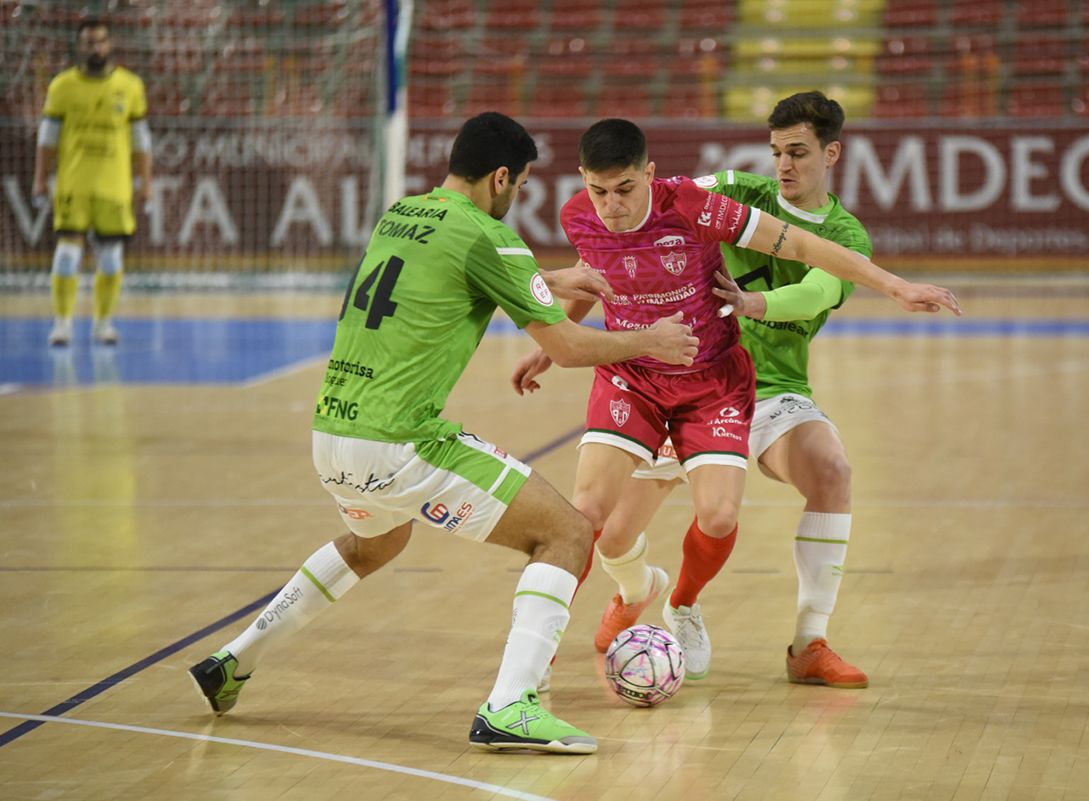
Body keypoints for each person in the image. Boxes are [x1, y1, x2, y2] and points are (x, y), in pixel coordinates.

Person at [187, 112, 699, 756]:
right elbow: (565, 347)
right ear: (502, 177)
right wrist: (653, 339)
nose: (516, 200)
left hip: (333, 433)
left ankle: (233, 660)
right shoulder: (489, 237)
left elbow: (455, 272)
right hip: (401, 443)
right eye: (518, 187)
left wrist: (554, 280)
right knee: (567, 532)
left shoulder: (401, 213)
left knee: (375, 543)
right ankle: (511, 705)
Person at [511, 118, 960, 682]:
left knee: (720, 516)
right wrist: (552, 348)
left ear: (648, 175)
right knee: (590, 520)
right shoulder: (578, 214)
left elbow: (801, 246)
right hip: (632, 378)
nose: (613, 206)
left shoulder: (697, 206)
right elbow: (592, 281)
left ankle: (683, 605)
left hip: (712, 383)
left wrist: (896, 286)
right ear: (582, 180)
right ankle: (538, 658)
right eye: (599, 190)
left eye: (625, 189)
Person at [587, 92, 894, 690]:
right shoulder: (733, 191)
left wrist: (752, 302)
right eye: (777, 151)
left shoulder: (844, 236)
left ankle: (801, 640)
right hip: (679, 379)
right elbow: (655, 204)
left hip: (771, 391)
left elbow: (813, 294)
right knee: (614, 534)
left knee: (831, 469)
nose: (784, 164)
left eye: (799, 152)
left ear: (832, 153)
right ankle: (635, 589)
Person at [33, 17, 152, 347]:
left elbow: (141, 141)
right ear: (79, 46)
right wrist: (40, 180)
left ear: (109, 44)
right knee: (67, 254)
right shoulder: (62, 87)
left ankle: (103, 323)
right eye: (88, 42)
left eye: (100, 41)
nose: (95, 47)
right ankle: (62, 324)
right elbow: (48, 138)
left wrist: (147, 182)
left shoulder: (130, 86)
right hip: (74, 185)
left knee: (111, 258)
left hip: (114, 187)